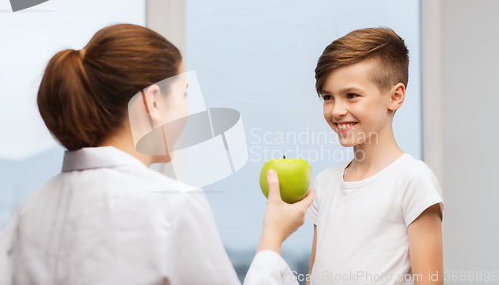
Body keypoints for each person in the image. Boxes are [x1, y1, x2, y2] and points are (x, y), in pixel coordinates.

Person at [0, 23, 313, 285]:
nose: (189, 110)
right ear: (153, 101)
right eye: (184, 93)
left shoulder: (25, 215)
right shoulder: (171, 203)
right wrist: (273, 237)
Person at [305, 27, 444, 285]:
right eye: (328, 97)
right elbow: (314, 277)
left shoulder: (412, 180)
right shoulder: (324, 184)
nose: (336, 110)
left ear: (395, 96)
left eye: (351, 96)